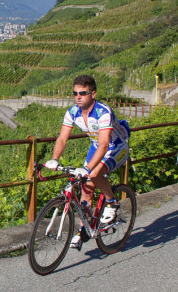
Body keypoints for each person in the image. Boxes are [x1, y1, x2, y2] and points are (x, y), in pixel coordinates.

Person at [45, 75, 130, 249]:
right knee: (85, 189)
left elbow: (105, 143)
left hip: (116, 147)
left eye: (83, 93)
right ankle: (84, 230)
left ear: (93, 94)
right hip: (96, 147)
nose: (78, 97)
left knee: (93, 173)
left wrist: (87, 167)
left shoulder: (102, 112)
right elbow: (62, 138)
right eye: (75, 93)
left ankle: (112, 202)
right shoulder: (72, 112)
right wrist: (54, 159)